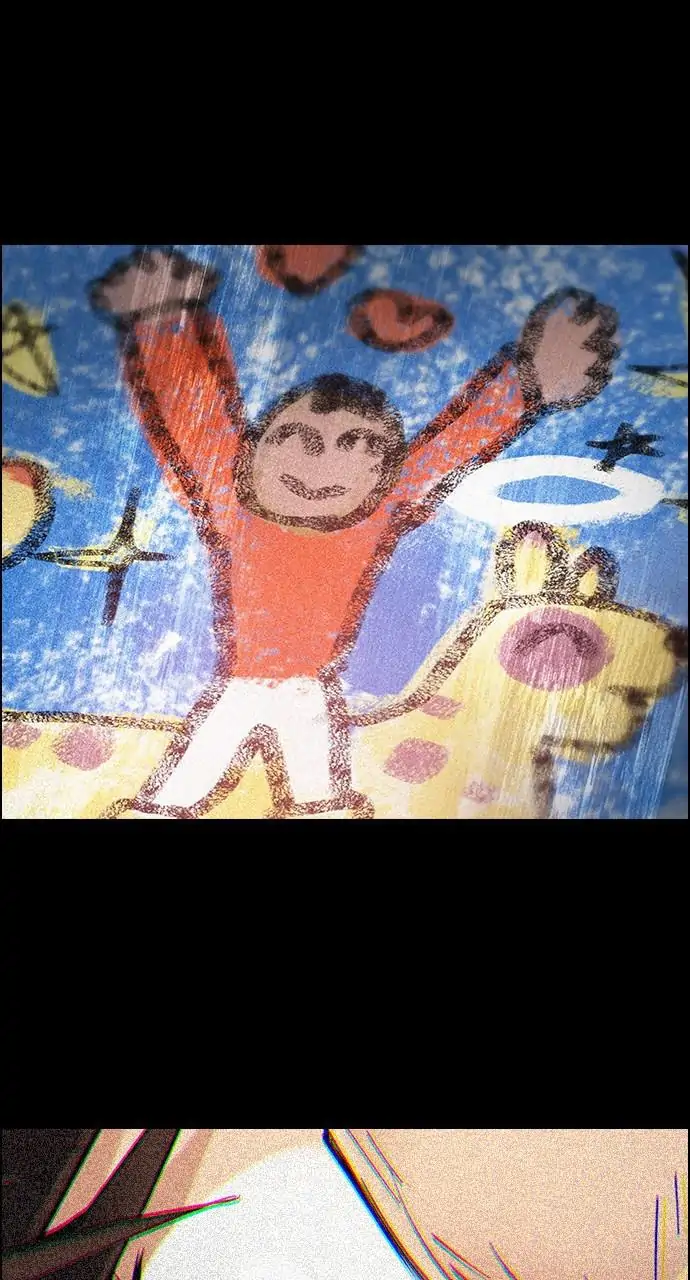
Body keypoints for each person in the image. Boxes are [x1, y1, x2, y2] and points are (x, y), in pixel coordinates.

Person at [90, 249, 619, 818]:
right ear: (255, 452)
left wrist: (529, 381)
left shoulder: (375, 515)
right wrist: (164, 320)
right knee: (187, 784)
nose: (320, 467)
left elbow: (450, 448)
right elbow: (195, 419)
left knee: (317, 793)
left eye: (356, 448)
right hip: (242, 688)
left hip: (307, 692)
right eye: (298, 441)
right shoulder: (235, 503)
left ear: (384, 472)